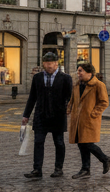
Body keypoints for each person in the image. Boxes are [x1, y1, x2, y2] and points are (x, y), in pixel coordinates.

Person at [21, 51, 73, 179]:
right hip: (41, 115)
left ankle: (58, 169)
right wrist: (26, 115)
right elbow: (32, 97)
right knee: (38, 142)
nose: (49, 65)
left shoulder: (65, 78)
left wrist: (68, 108)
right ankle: (37, 169)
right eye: (46, 63)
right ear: (43, 64)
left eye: (51, 63)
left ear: (56, 64)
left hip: (58, 116)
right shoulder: (37, 78)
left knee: (59, 142)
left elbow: (70, 97)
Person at [67, 63, 110, 179]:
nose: (78, 73)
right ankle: (85, 169)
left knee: (87, 143)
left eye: (80, 71)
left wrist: (94, 113)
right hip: (77, 120)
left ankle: (104, 159)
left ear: (89, 73)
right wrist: (69, 108)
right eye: (78, 71)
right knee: (81, 144)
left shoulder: (98, 85)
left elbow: (104, 102)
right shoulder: (77, 85)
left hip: (89, 120)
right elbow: (72, 99)